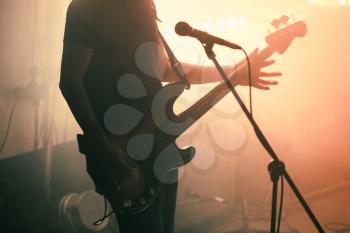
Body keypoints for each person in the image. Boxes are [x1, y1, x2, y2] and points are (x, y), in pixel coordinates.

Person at [60, 0, 281, 232]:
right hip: (124, 155)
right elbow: (70, 82)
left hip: (162, 149)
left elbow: (164, 68)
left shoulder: (145, 5)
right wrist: (102, 147)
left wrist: (233, 72)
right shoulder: (86, 6)